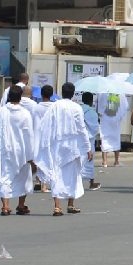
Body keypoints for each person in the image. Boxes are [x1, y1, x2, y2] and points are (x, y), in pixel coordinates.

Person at [35, 82, 92, 216]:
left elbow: (45, 126)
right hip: (73, 146)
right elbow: (81, 129)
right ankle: (70, 204)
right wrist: (87, 147)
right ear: (73, 94)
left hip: (57, 145)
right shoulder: (77, 107)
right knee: (73, 174)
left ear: (61, 92)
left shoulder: (55, 106)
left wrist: (44, 143)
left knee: (57, 174)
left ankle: (57, 206)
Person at [0, 85, 35, 215]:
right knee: (23, 176)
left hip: (5, 149)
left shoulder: (1, 112)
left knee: (4, 176)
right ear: (21, 97)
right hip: (21, 151)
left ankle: (5, 206)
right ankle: (21, 204)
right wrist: (31, 155)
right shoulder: (25, 113)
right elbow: (29, 134)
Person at [97, 88, 130, 167]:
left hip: (105, 119)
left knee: (105, 138)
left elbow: (99, 106)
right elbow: (125, 106)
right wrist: (120, 116)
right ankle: (116, 161)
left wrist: (101, 114)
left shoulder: (103, 91)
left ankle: (104, 162)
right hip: (116, 118)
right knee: (116, 138)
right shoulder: (120, 92)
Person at [79, 92, 101, 191]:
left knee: (79, 160)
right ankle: (91, 182)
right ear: (91, 101)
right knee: (89, 161)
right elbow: (95, 128)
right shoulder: (92, 112)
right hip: (88, 139)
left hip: (78, 139)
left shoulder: (78, 109)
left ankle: (77, 181)